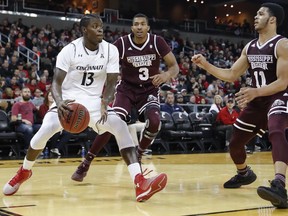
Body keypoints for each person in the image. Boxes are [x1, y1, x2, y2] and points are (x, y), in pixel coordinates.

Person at [3, 14, 167, 202]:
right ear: (84, 30)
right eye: (95, 26)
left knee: (120, 126)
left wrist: (106, 103)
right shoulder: (69, 50)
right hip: (69, 101)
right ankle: (24, 171)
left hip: (95, 103)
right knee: (45, 130)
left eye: (101, 26)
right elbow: (55, 84)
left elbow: (113, 82)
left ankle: (140, 182)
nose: (100, 30)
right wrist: (59, 101)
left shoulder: (110, 50)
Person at [192, 3, 288, 208]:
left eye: (260, 14)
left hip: (280, 96)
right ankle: (244, 173)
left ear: (272, 20)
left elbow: (282, 82)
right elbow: (231, 74)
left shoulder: (282, 44)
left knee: (277, 130)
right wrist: (205, 65)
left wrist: (255, 91)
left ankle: (279, 184)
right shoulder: (250, 46)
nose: (255, 17)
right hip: (258, 99)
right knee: (235, 142)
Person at [71, 13, 179, 182]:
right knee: (112, 122)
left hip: (148, 90)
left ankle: (139, 153)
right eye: (136, 24)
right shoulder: (121, 43)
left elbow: (174, 67)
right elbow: (104, 62)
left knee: (155, 122)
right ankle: (86, 162)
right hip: (126, 90)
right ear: (132, 27)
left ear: (148, 27)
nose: (139, 27)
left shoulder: (157, 42)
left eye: (143, 24)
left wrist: (166, 75)